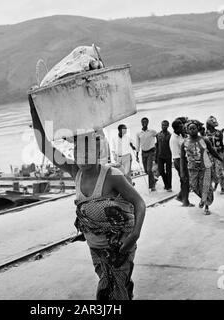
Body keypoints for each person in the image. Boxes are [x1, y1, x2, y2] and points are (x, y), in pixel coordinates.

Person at [29, 94, 146, 300]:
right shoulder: (76, 172)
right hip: (96, 247)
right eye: (77, 151)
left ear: (97, 150)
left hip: (121, 245)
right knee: (114, 287)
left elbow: (139, 203)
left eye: (86, 151)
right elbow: (45, 146)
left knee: (109, 292)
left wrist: (134, 235)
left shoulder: (111, 175)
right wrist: (34, 107)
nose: (81, 158)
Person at [180, 120, 223, 215]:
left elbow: (212, 151)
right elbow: (182, 158)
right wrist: (182, 172)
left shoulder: (205, 140)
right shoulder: (185, 143)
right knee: (194, 186)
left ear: (197, 129)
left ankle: (206, 205)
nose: (192, 130)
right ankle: (203, 199)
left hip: (205, 167)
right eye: (190, 129)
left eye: (194, 128)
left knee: (205, 187)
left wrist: (221, 159)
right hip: (192, 168)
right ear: (187, 130)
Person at [169, 119, 194, 207]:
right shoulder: (174, 139)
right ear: (176, 128)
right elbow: (177, 155)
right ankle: (185, 201)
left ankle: (180, 196)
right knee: (185, 181)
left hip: (182, 160)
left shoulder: (179, 136)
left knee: (185, 181)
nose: (183, 128)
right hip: (179, 161)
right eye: (180, 127)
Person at [136, 118, 157, 191]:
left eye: (145, 122)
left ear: (148, 122)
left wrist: (156, 147)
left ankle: (152, 186)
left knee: (149, 170)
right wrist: (137, 155)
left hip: (151, 152)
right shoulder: (138, 133)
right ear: (141, 123)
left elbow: (158, 137)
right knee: (146, 170)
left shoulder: (152, 131)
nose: (144, 123)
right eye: (143, 122)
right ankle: (153, 178)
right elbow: (137, 144)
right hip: (143, 153)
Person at [205, 116, 224, 194]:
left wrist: (222, 156)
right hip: (210, 155)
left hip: (218, 154)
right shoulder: (206, 133)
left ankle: (222, 187)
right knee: (212, 170)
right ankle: (216, 184)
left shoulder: (218, 133)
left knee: (219, 170)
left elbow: (222, 145)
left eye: (207, 124)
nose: (206, 126)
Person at [155, 120, 172, 191]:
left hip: (168, 155)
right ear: (161, 125)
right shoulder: (158, 135)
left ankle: (169, 186)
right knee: (161, 171)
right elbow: (157, 146)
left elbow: (171, 146)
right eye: (163, 125)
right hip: (160, 156)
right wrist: (156, 156)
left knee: (168, 172)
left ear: (168, 126)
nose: (164, 126)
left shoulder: (170, 135)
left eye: (165, 125)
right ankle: (166, 184)